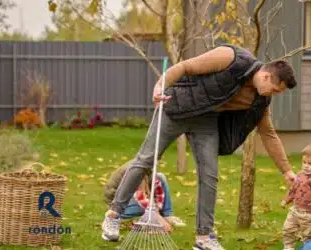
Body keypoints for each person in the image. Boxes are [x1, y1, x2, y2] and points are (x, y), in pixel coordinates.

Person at [101, 44, 298, 250]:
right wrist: (160, 85)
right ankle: (113, 215)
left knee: (209, 175)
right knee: (146, 159)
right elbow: (186, 66)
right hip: (176, 108)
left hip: (206, 120)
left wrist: (286, 171)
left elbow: (268, 134)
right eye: (275, 90)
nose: (273, 95)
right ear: (266, 76)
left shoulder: (260, 99)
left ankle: (204, 237)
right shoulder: (231, 57)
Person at [103, 163, 185, 236]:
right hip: (117, 201)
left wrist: (157, 208)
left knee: (160, 176)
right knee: (142, 208)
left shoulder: (149, 166)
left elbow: (157, 188)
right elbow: (141, 197)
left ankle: (168, 215)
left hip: (133, 195)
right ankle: (112, 217)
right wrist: (158, 218)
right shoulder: (137, 169)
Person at [281, 143, 311, 250]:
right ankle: (288, 247)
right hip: (295, 210)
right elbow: (293, 189)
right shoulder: (300, 175)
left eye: (310, 163)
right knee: (288, 229)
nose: (306, 165)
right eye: (304, 162)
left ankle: (308, 247)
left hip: (309, 214)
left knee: (308, 235)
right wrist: (286, 200)